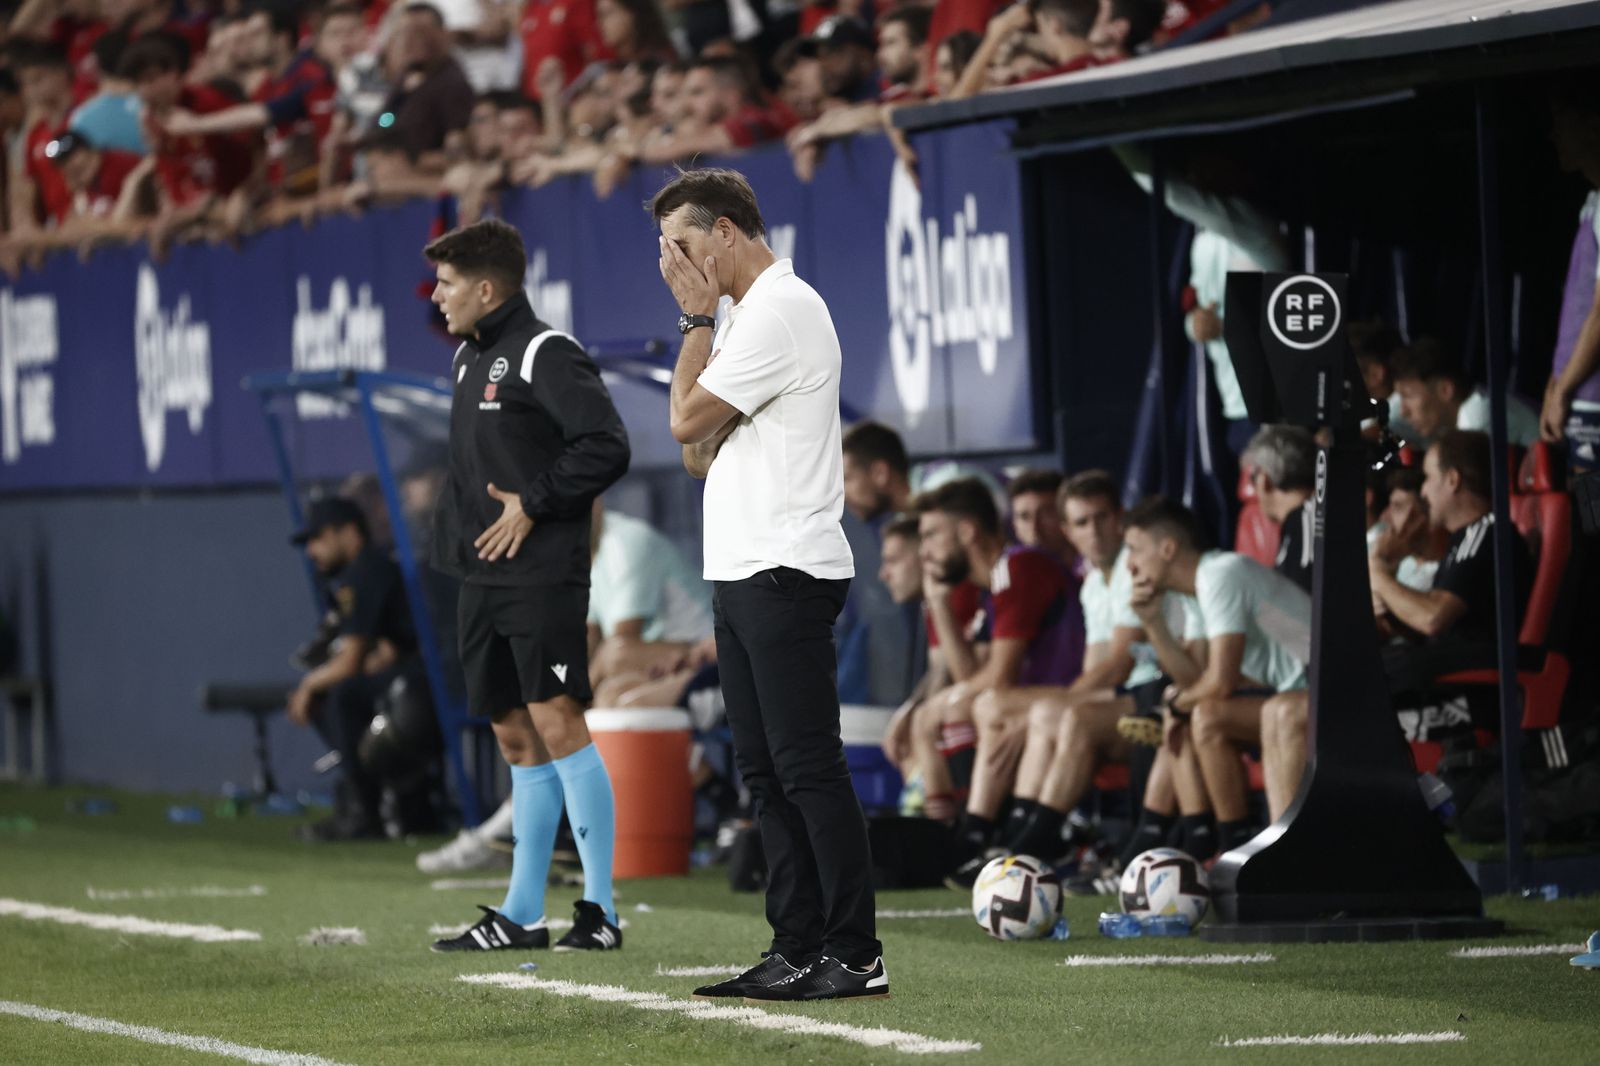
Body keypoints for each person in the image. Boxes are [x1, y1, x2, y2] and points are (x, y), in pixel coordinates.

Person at [654, 166, 887, 1002]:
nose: (673, 268)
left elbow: (683, 420)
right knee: (763, 772)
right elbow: (693, 451)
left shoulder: (780, 310)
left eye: (680, 248)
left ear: (725, 232)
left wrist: (693, 321)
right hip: (743, 567)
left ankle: (856, 953)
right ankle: (796, 945)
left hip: (784, 568)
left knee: (807, 768)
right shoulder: (748, 318)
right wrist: (706, 330)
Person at [423, 218, 632, 954]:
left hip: (542, 574)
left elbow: (608, 444)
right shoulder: (464, 359)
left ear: (486, 288)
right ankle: (521, 914)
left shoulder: (547, 351)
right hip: (482, 578)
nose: (437, 297)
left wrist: (534, 504)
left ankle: (601, 911)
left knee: (558, 722)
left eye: (447, 285)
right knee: (515, 736)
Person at [997, 472, 1211, 873]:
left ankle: (1033, 840)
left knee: (1062, 714)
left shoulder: (1140, 572)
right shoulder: (1093, 582)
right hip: (1139, 693)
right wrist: (1061, 702)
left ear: (1120, 518)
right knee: (1048, 713)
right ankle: (1021, 832)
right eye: (1081, 522)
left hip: (1158, 687)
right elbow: (1096, 667)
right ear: (1068, 531)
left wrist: (1061, 703)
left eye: (1101, 518)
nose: (1093, 531)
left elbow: (1119, 663)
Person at [913, 476, 1085, 886]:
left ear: (967, 531)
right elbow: (972, 676)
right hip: (1034, 703)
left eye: (933, 534)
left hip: (1073, 696)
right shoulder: (994, 583)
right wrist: (938, 602)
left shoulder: (1019, 565)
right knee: (956, 708)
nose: (926, 550)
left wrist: (941, 704)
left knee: (963, 708)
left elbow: (998, 677)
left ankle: (973, 835)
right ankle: (967, 835)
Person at [1122, 496, 1311, 848]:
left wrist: (1176, 707)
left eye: (1134, 550)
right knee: (1198, 712)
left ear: (1167, 548)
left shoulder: (1220, 574)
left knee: (1204, 715)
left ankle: (1237, 844)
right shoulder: (1195, 591)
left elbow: (1219, 682)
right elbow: (1196, 681)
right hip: (1286, 694)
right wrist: (1153, 622)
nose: (1129, 566)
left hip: (1321, 687)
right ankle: (1226, 846)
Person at [1370, 430, 1534, 738]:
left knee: (1333, 727)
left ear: (1452, 480)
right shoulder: (1464, 539)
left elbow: (1434, 618)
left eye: (1429, 478)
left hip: (1473, 698)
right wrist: (1395, 617)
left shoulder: (1487, 531)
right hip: (1447, 681)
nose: (1424, 492)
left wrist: (1378, 572)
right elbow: (1446, 627)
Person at [288, 497, 421, 842]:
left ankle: (366, 810)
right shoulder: (363, 572)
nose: (312, 551)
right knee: (339, 692)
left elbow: (349, 664)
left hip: (427, 684)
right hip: (415, 677)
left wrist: (307, 686)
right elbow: (383, 650)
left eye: (318, 538)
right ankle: (388, 799)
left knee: (340, 694)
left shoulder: (368, 570)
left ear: (349, 532)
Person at [587, 497, 714, 704]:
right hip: (661, 656)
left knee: (616, 655)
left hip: (702, 650)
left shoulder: (627, 541)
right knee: (609, 696)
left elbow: (623, 637)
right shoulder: (585, 557)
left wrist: (576, 699)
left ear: (596, 503)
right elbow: (589, 636)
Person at [1541, 84, 1600, 474]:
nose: (1554, 135)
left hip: (1594, 402)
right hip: (1580, 398)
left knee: (1594, 521)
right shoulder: (1592, 202)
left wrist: (1562, 390)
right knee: (1589, 521)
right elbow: (1576, 312)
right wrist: (1555, 386)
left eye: (1562, 121)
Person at [1390, 337, 1540, 448]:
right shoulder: (1463, 416)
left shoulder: (1478, 414)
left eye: (1408, 396)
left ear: (1445, 390)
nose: (1403, 411)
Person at [1241, 425, 1316, 593]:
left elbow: (1304, 604)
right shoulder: (1298, 523)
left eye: (1253, 479)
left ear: (1264, 480)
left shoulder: (1307, 520)